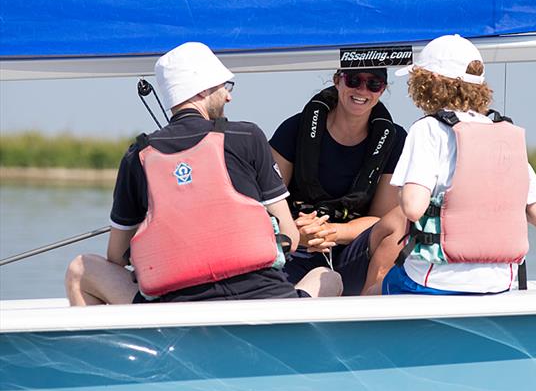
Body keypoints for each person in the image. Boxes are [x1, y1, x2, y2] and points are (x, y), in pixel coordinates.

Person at [65, 42, 341, 305]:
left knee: (81, 269)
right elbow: (290, 240)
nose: (229, 96)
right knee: (329, 278)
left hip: (174, 311)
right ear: (200, 91)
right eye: (223, 87)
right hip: (265, 301)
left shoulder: (136, 157)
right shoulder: (248, 135)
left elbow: (115, 256)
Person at [382, 34, 536, 295]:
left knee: (377, 284)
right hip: (500, 283)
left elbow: (414, 209)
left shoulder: (429, 129)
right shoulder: (506, 134)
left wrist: (403, 191)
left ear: (429, 82)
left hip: (435, 280)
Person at [270, 67, 408, 295]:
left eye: (374, 84)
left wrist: (331, 231)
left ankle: (369, 311)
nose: (362, 89)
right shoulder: (294, 129)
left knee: (401, 219)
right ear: (337, 80)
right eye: (354, 80)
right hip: (297, 245)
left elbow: (383, 217)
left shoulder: (395, 140)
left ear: (382, 90)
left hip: (352, 252)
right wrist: (296, 233)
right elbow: (267, 202)